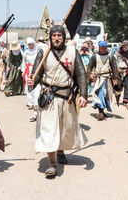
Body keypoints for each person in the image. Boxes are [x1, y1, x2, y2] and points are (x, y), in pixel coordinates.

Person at [28, 25, 88, 178]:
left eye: (59, 35)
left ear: (64, 37)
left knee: (64, 128)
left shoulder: (73, 52)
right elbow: (37, 74)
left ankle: (60, 150)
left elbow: (81, 74)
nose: (56, 38)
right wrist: (32, 82)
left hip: (67, 98)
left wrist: (83, 95)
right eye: (54, 35)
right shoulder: (44, 52)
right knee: (49, 129)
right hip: (49, 97)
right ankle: (52, 164)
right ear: (50, 37)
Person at [87, 40, 119, 120]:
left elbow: (114, 68)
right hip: (99, 79)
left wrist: (115, 78)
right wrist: (90, 75)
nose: (103, 49)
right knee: (101, 93)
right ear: (99, 48)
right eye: (102, 47)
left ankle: (102, 110)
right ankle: (100, 112)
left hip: (107, 78)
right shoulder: (95, 56)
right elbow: (89, 67)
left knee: (105, 96)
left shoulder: (110, 56)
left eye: (105, 47)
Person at [22, 37, 40, 121]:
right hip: (28, 70)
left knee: (35, 87)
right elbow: (24, 62)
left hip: (35, 70)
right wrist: (23, 70)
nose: (31, 46)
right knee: (28, 87)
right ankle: (30, 103)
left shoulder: (37, 51)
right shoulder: (26, 52)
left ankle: (35, 102)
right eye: (29, 45)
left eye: (32, 44)